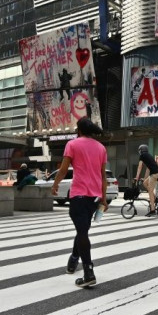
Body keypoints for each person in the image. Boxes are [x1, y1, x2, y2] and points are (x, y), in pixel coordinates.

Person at [52, 118, 108, 288]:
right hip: (93, 198)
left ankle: (88, 272)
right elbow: (103, 177)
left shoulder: (73, 144)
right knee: (82, 230)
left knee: (82, 232)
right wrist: (104, 198)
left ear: (79, 130)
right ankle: (73, 260)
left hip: (78, 195)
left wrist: (55, 184)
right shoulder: (101, 147)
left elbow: (63, 170)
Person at [134, 144, 158, 217]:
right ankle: (154, 197)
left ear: (140, 150)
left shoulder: (142, 156)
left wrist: (137, 177)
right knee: (144, 183)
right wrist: (145, 178)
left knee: (150, 191)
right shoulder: (148, 155)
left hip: (154, 174)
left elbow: (140, 167)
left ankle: (152, 210)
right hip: (155, 173)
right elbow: (148, 168)